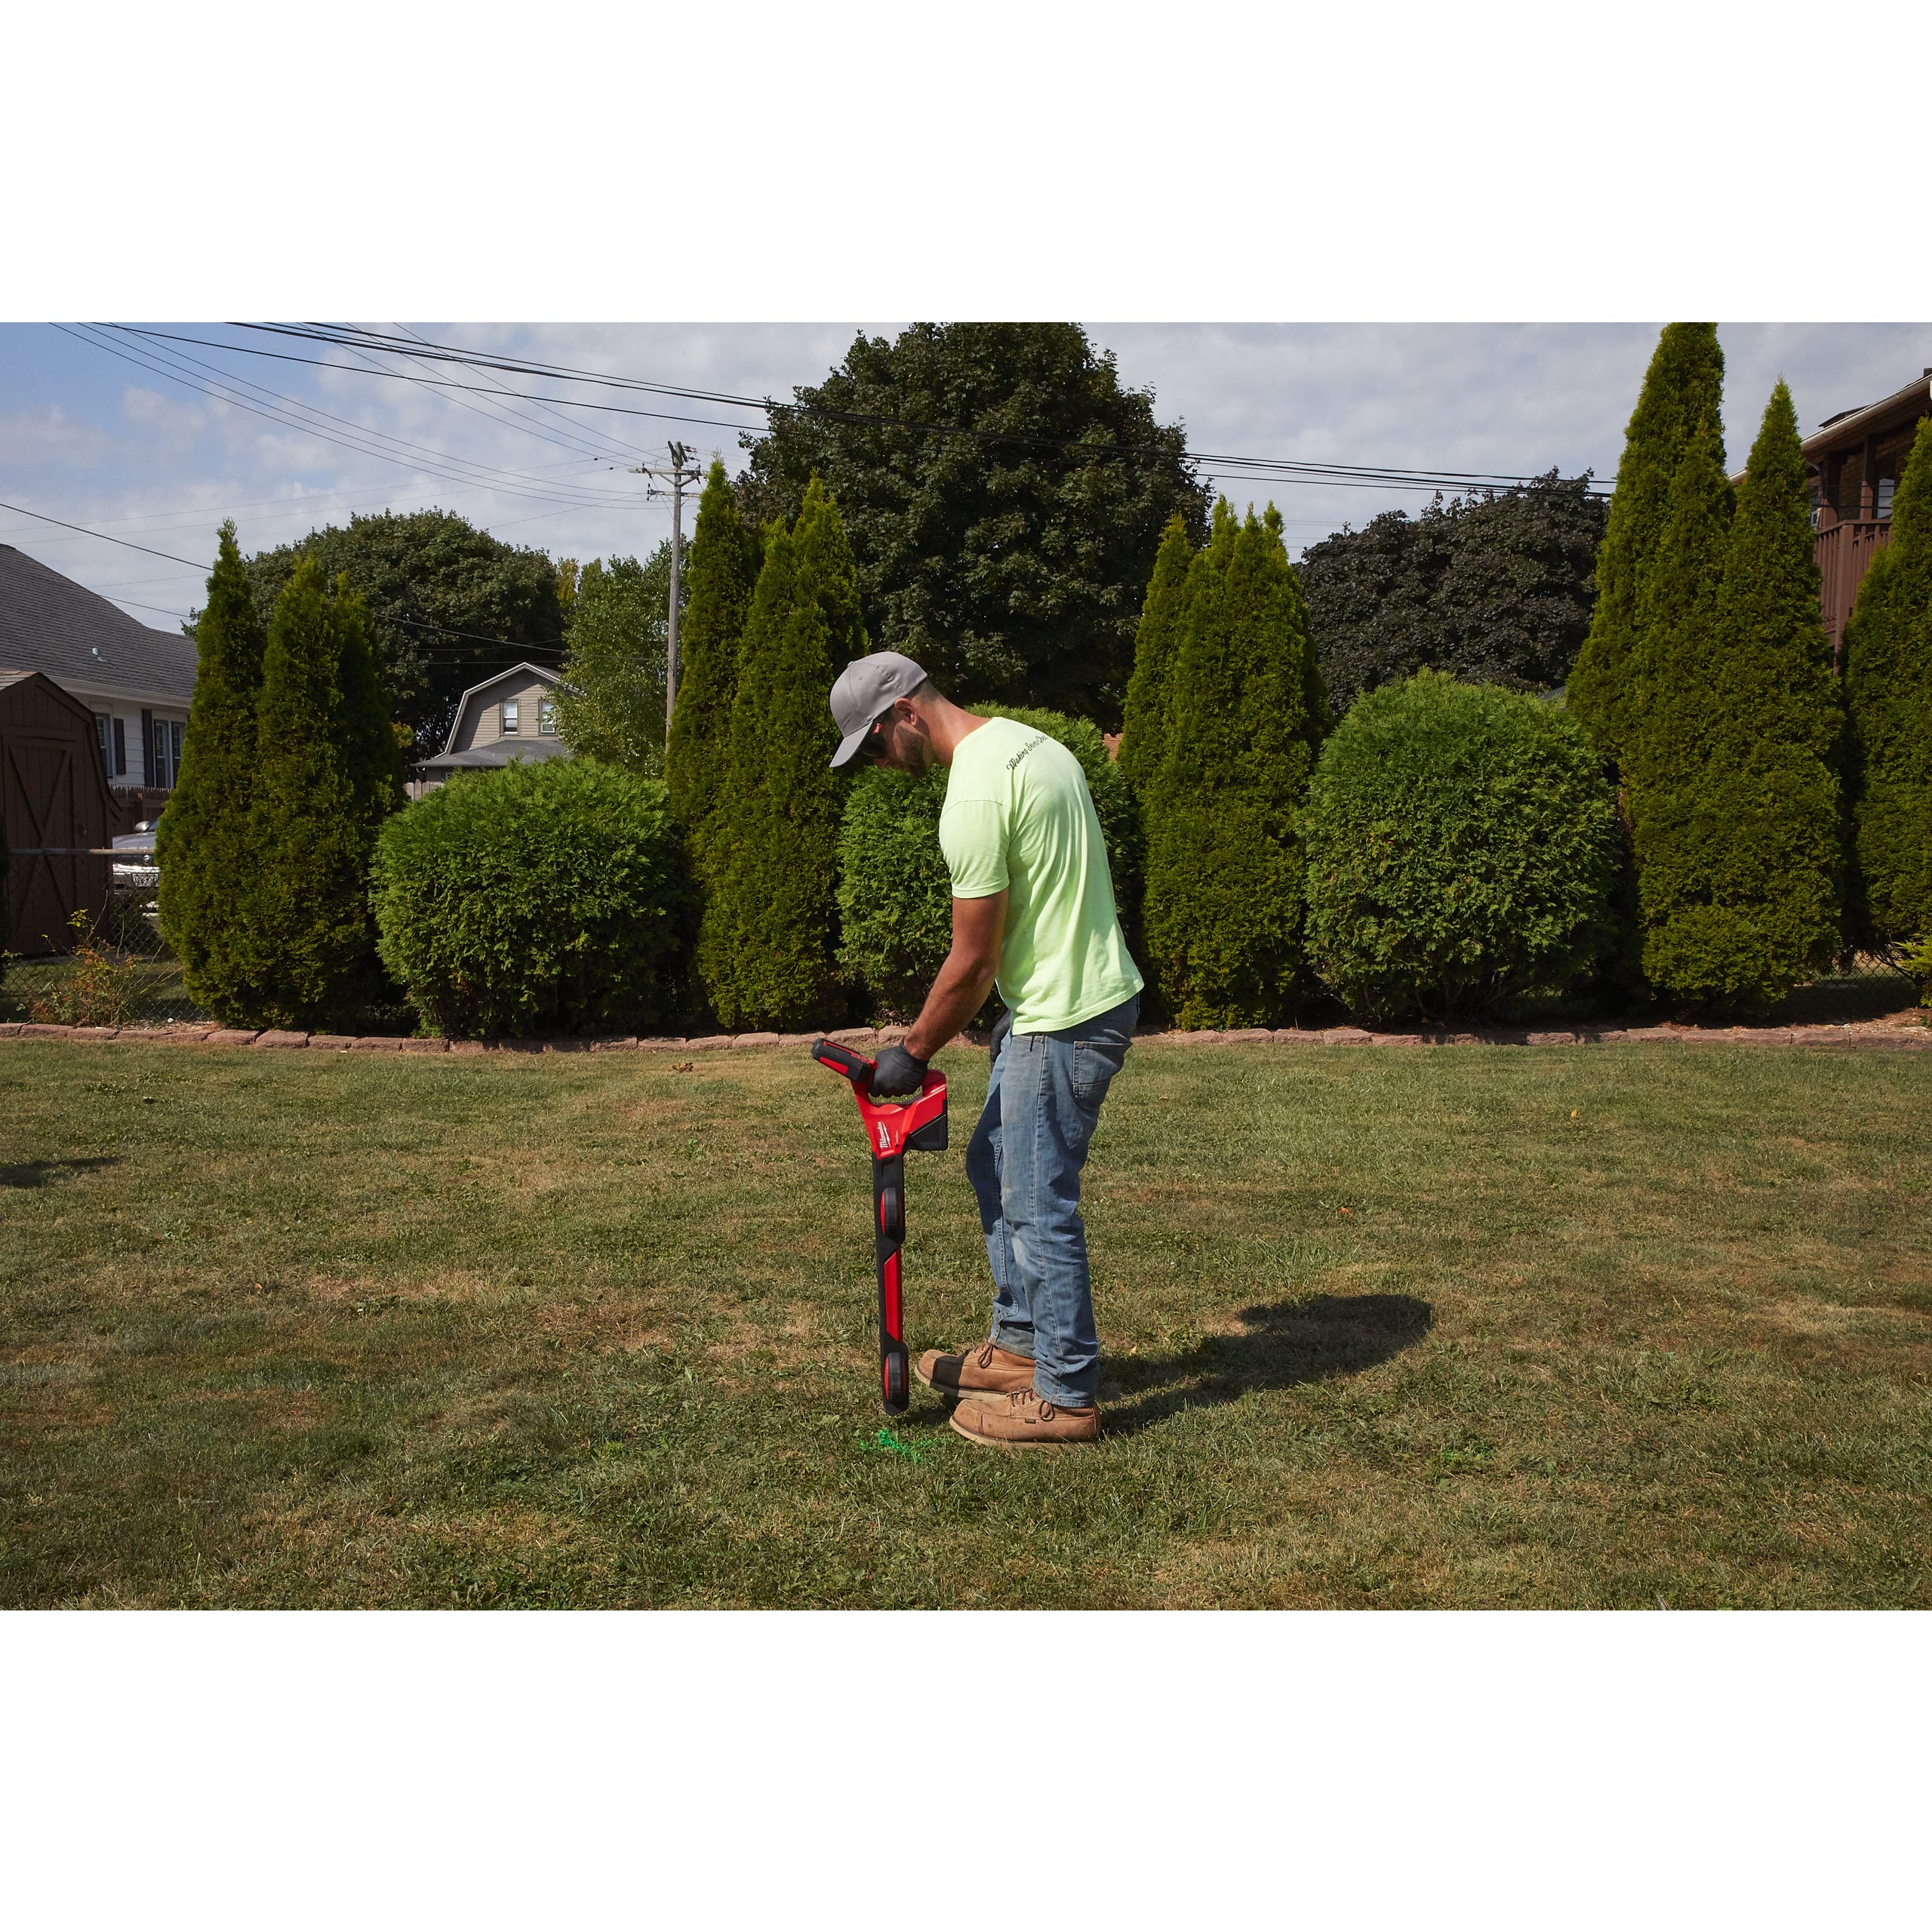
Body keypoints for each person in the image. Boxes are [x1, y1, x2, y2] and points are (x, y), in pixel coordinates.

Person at [827, 651, 1143, 1447]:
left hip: (1063, 1015)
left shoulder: (972, 793)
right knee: (995, 1161)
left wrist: (911, 1050)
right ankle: (1021, 1345)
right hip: (1071, 996)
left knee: (1036, 1201)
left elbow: (972, 958)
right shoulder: (1031, 744)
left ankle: (1064, 1393)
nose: (877, 763)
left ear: (905, 712)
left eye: (873, 744)